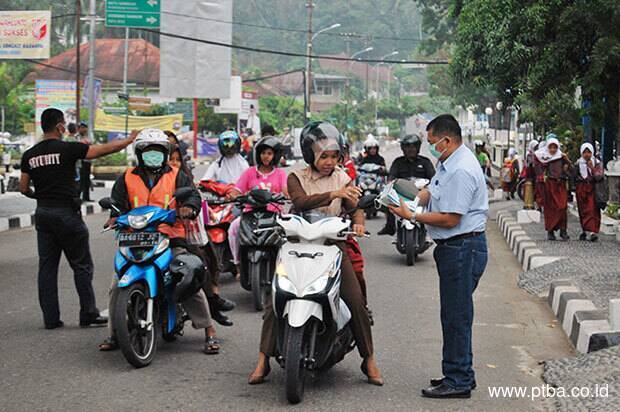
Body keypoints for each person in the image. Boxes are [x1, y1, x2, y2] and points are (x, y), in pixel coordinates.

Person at [248, 121, 383, 386]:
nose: (329, 162)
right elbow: (299, 202)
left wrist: (359, 221)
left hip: (331, 246)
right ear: (310, 154)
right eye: (324, 156)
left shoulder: (344, 178)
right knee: (274, 299)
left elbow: (355, 206)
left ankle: (368, 359)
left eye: (334, 156)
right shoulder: (296, 177)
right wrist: (333, 193)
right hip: (296, 243)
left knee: (355, 299)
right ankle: (263, 359)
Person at [389, 114, 488, 399]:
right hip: (455, 249)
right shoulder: (448, 162)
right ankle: (459, 373)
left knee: (456, 317)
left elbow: (450, 218)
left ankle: (458, 380)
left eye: (433, 143)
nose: (430, 148)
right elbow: (430, 191)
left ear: (447, 139)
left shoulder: (461, 169)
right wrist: (401, 196)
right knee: (454, 314)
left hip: (462, 247)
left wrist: (412, 215)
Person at [99, 129, 220, 354]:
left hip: (170, 236)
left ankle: (209, 330)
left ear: (165, 153)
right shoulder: (127, 177)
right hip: (134, 238)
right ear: (140, 153)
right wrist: (114, 216)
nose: (153, 155)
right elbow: (116, 202)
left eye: (157, 151)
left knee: (187, 277)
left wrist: (189, 208)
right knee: (117, 284)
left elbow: (192, 195)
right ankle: (114, 332)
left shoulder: (176, 175)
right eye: (148, 151)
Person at [19, 108, 135, 330]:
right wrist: (129, 140)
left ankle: (51, 319)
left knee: (47, 268)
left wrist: (39, 195)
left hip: (43, 214)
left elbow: (24, 187)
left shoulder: (30, 155)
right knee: (81, 266)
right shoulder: (67, 149)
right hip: (67, 214)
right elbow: (100, 151)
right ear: (60, 127)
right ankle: (88, 313)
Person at [167, 131, 235, 327]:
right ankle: (116, 332)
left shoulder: (183, 178)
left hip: (183, 232)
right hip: (152, 236)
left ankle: (210, 319)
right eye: (169, 157)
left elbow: (197, 191)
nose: (173, 162)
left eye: (176, 158)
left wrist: (191, 207)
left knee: (204, 261)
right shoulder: (140, 177)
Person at [227, 136, 288, 273]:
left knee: (289, 234)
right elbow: (237, 190)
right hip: (250, 213)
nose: (266, 156)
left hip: (274, 214)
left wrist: (288, 194)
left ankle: (284, 267)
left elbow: (286, 191)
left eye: (269, 153)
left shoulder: (280, 173)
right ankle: (237, 263)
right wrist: (233, 195)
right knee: (233, 228)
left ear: (275, 156)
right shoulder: (249, 172)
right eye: (263, 153)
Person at [378, 134, 435, 236]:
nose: (410, 149)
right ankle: (389, 227)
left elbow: (434, 178)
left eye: (413, 146)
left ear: (418, 147)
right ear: (403, 148)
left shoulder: (425, 162)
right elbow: (391, 178)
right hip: (402, 194)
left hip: (422, 194)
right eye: (407, 146)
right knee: (388, 203)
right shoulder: (398, 162)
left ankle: (433, 229)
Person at [535, 136, 571, 240]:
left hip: (561, 185)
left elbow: (571, 172)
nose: (553, 150)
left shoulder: (562, 157)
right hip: (549, 185)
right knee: (550, 208)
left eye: (555, 147)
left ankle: (563, 230)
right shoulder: (544, 158)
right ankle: (550, 231)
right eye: (550, 147)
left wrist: (567, 162)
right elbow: (538, 169)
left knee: (562, 207)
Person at [574, 142, 604, 242]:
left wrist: (592, 167)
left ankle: (592, 232)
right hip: (581, 190)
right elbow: (573, 176)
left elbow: (599, 176)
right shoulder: (578, 163)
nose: (587, 155)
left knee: (592, 210)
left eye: (589, 152)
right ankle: (584, 230)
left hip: (592, 189)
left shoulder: (597, 163)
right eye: (584, 152)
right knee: (583, 210)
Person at [77, 122, 92, 202]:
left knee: (87, 180)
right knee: (81, 180)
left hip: (88, 160)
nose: (83, 129)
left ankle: (86, 197)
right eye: (82, 128)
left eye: (85, 127)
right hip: (80, 161)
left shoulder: (88, 136)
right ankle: (78, 197)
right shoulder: (77, 137)